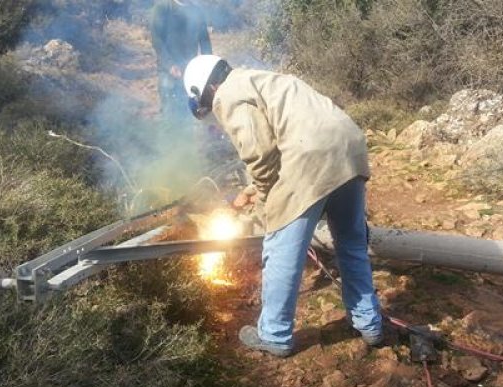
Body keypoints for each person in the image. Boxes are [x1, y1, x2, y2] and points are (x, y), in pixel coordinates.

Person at [183, 55, 385, 358]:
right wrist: (254, 189)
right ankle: (370, 324)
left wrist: (266, 204)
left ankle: (274, 335)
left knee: (280, 250)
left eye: (206, 107)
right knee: (351, 243)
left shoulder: (228, 94)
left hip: (310, 158)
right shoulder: (260, 79)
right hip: (349, 149)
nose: (213, 112)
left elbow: (260, 154)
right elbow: (285, 136)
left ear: (206, 89)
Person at [150, 0, 212, 119]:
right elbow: (157, 39)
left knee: (189, 112)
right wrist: (169, 65)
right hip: (168, 72)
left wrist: (208, 68)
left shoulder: (197, 11)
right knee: (170, 111)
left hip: (190, 72)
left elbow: (205, 41)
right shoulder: (163, 7)